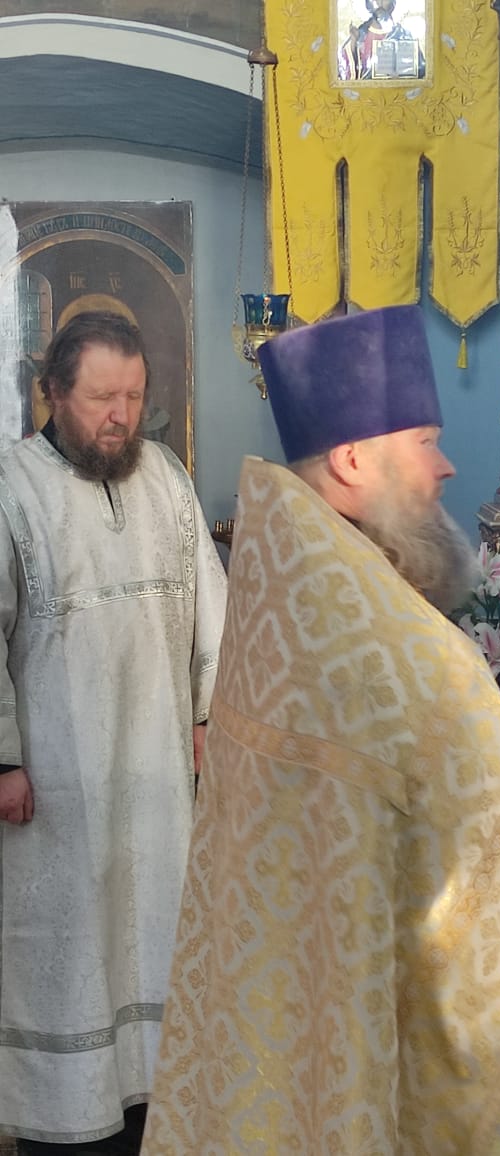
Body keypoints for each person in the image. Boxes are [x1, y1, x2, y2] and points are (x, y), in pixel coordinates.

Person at [140, 305, 500, 1155]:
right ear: (353, 461)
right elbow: (473, 871)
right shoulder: (407, 651)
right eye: (425, 441)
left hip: (277, 1034)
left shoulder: (281, 606)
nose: (446, 464)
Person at [0, 312, 228, 1153]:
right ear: (53, 393)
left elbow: (213, 610)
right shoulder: (12, 488)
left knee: (158, 947)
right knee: (72, 962)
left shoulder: (165, 476)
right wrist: (4, 759)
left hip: (160, 780)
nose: (120, 417)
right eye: (101, 397)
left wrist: (207, 715)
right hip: (59, 789)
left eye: (132, 396)